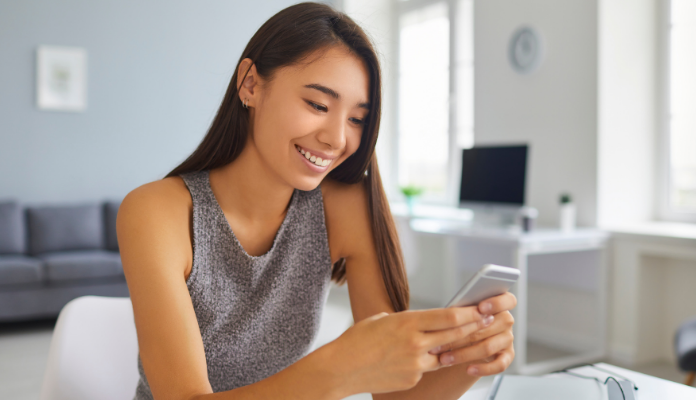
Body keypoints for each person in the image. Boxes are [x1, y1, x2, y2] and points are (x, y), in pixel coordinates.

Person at [117, 2, 516, 399]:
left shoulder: (345, 206)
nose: (338, 139)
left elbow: (395, 395)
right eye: (318, 105)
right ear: (251, 85)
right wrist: (336, 370)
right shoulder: (156, 212)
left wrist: (467, 361)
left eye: (356, 119)